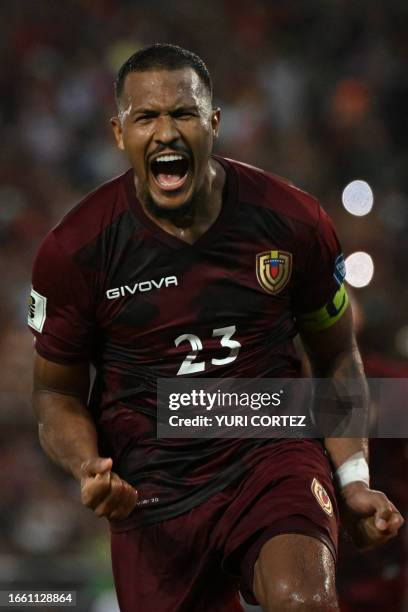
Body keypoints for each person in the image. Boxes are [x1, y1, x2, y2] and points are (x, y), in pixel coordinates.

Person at [28, 44, 403, 612]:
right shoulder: (75, 251)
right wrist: (87, 466)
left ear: (214, 122)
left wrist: (352, 479)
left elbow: (335, 358)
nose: (165, 132)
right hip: (151, 487)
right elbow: (55, 392)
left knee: (305, 601)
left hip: (270, 451)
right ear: (118, 132)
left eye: (182, 113)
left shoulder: (293, 220)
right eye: (145, 117)